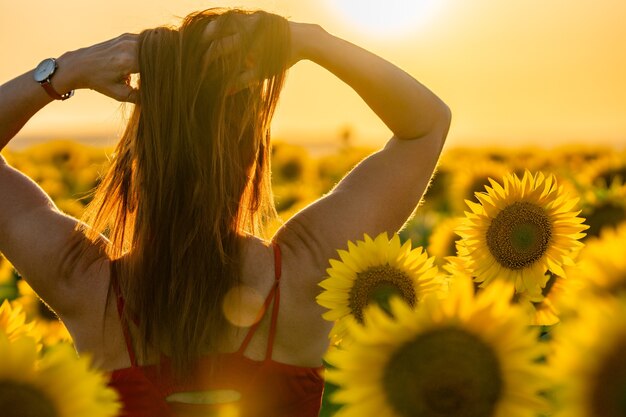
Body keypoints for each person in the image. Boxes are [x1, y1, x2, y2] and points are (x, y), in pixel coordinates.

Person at [0, 7, 450, 417]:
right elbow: (425, 126)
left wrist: (61, 73)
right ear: (252, 153)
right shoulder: (305, 270)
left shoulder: (88, 286)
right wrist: (310, 40)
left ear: (136, 153)